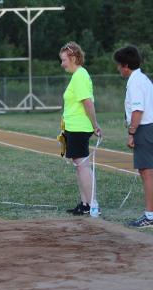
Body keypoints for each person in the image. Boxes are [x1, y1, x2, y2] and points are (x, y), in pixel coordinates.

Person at [59, 42, 102, 215]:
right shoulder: (77, 76)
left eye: (64, 60)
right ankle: (85, 204)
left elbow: (87, 102)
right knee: (79, 165)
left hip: (79, 128)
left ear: (74, 58)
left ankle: (93, 204)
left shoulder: (80, 75)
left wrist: (95, 125)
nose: (62, 64)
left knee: (82, 166)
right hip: (72, 127)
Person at [113, 46, 153, 228]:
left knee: (147, 172)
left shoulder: (136, 82)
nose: (118, 69)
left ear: (126, 65)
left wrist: (131, 133)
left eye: (119, 65)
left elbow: (138, 110)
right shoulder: (142, 79)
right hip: (147, 128)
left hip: (144, 129)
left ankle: (149, 216)